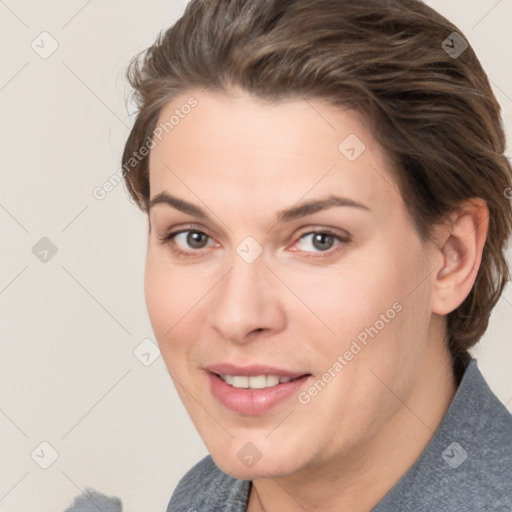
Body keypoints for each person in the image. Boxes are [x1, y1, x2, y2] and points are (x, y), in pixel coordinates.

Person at [68, 0, 512, 510]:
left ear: (451, 257)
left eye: (319, 239)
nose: (237, 316)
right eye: (193, 237)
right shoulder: (201, 496)